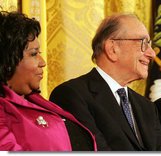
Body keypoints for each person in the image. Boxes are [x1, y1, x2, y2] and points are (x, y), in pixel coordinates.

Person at [50, 13, 161, 151]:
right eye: (143, 43)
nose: (152, 54)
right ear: (112, 49)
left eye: (150, 44)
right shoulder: (71, 95)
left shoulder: (147, 107)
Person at [0, 11, 97, 151]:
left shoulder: (34, 99)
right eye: (33, 54)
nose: (43, 62)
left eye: (40, 54)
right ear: (7, 60)